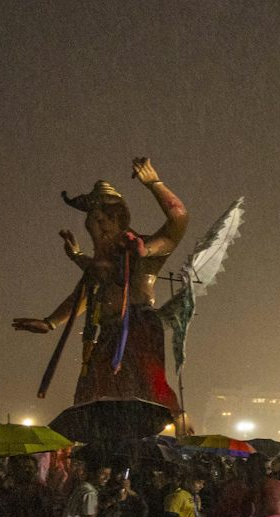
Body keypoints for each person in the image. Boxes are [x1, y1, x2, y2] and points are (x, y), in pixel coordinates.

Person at [11, 157, 188, 413]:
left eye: (104, 220)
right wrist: (50, 322)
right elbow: (82, 294)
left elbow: (178, 221)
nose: (98, 228)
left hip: (137, 328)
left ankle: (168, 425)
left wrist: (154, 184)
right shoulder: (101, 265)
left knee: (143, 393)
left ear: (118, 221)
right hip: (106, 333)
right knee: (93, 395)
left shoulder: (141, 251)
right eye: (93, 222)